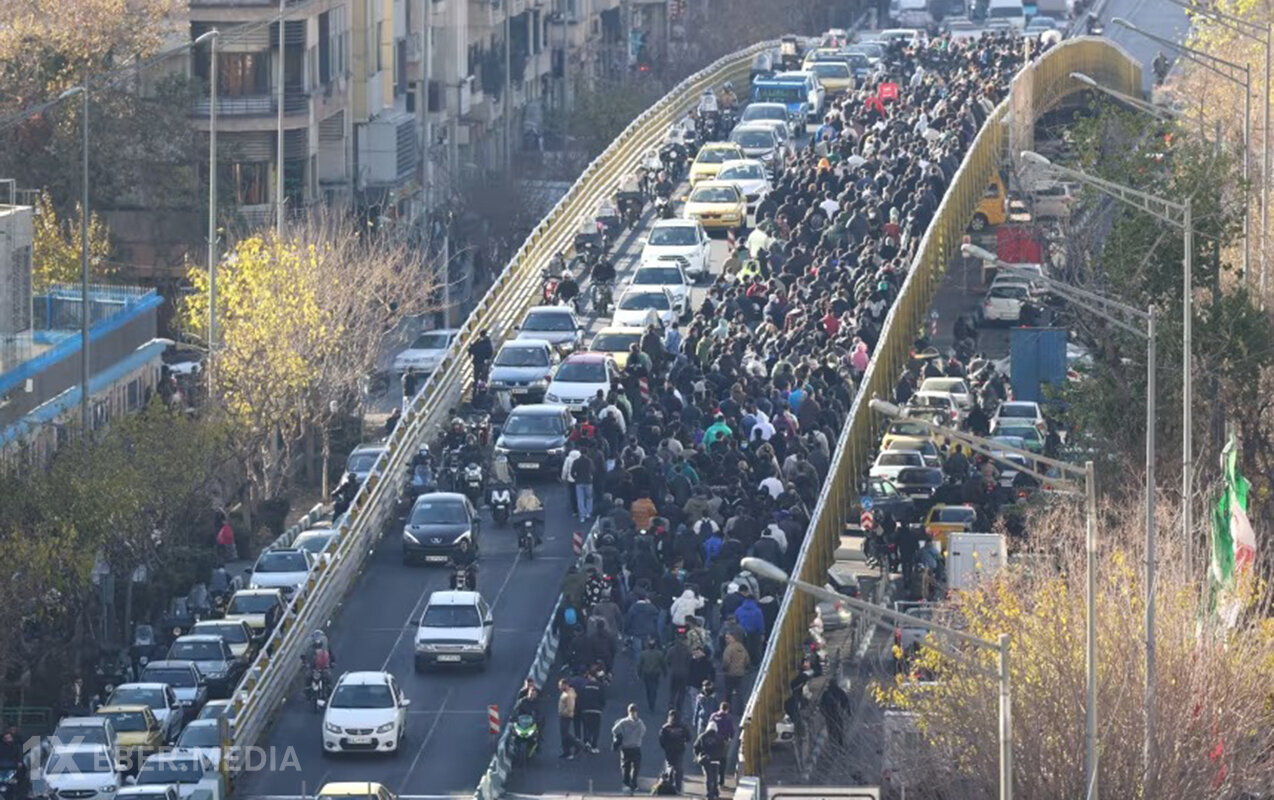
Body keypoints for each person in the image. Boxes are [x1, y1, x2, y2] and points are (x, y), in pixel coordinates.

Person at [611, 704, 647, 795]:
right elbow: (643, 731)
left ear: (628, 711)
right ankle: (633, 782)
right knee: (636, 766)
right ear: (637, 711)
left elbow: (614, 730)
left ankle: (626, 782)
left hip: (626, 747)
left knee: (625, 766)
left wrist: (621, 737)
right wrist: (637, 738)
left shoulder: (623, 722)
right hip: (636, 747)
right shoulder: (640, 722)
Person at [658, 709, 691, 793]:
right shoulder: (683, 726)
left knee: (669, 767)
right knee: (678, 769)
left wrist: (665, 747)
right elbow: (688, 737)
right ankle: (678, 788)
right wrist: (684, 742)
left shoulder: (665, 727)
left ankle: (669, 785)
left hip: (669, 750)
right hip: (679, 750)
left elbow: (661, 739)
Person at [693, 720, 727, 800]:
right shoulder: (719, 737)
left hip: (705, 759)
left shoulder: (702, 736)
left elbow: (696, 747)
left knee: (708, 776)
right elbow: (723, 748)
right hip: (715, 760)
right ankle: (715, 792)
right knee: (714, 777)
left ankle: (709, 793)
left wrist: (698, 756)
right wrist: (720, 757)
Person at [637, 636, 666, 712]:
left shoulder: (643, 654)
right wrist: (665, 673)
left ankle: (650, 702)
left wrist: (639, 673)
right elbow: (663, 664)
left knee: (648, 689)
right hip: (656, 673)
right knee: (655, 688)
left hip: (646, 673)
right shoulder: (659, 654)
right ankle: (653, 702)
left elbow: (640, 665)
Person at [557, 678, 581, 759]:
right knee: (563, 735)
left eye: (560, 685)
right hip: (563, 716)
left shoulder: (569, 695)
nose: (559, 687)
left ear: (565, 685)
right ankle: (566, 752)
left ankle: (577, 745)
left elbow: (570, 707)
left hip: (566, 716)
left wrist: (563, 713)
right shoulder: (566, 693)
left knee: (565, 734)